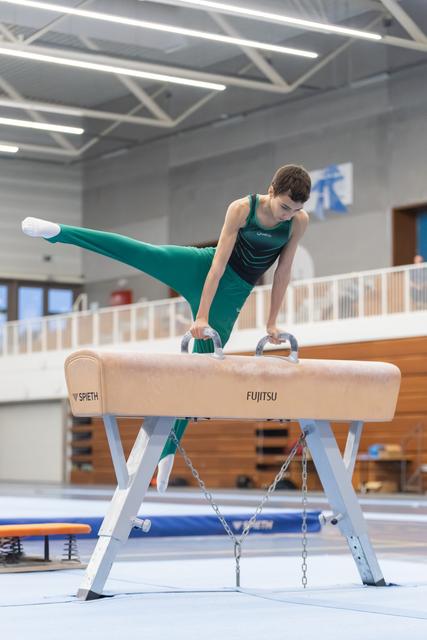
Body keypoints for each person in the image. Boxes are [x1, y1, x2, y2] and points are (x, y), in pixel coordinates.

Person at [21, 164, 311, 491]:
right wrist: (200, 317)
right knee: (143, 253)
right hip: (204, 266)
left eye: (296, 209)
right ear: (271, 192)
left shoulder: (297, 223)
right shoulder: (242, 208)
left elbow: (283, 272)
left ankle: (168, 452)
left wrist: (272, 322)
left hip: (234, 291)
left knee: (202, 368)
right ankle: (60, 233)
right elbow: (217, 266)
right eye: (285, 207)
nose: (289, 215)